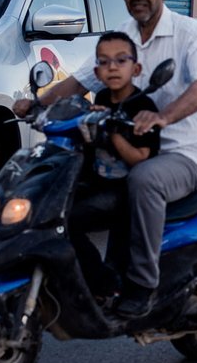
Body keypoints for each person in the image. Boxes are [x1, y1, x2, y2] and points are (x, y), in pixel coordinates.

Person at [13, 0, 197, 319]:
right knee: (60, 192)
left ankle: (143, 286)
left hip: (184, 152)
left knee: (144, 181)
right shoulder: (121, 37)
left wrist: (163, 116)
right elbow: (81, 81)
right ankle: (99, 280)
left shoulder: (192, 35)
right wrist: (36, 106)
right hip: (123, 149)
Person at [68, 32, 160, 300]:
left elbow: (141, 157)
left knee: (76, 223)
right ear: (96, 71)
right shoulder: (101, 99)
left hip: (127, 189)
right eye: (105, 62)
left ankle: (107, 283)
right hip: (98, 184)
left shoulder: (143, 105)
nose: (113, 67)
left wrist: (112, 133)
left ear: (136, 68)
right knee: (56, 216)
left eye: (121, 60)